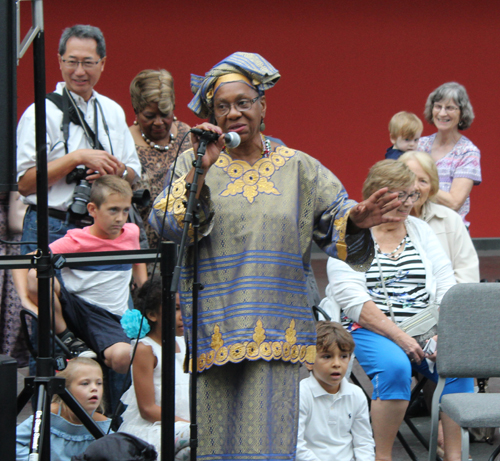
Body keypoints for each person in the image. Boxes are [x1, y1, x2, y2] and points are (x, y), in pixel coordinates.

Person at [149, 51, 403, 460]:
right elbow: (167, 225)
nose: (234, 113)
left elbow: (335, 220)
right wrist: (200, 172)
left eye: (243, 102)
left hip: (276, 327)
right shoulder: (196, 163)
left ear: (262, 106)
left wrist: (357, 219)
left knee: (269, 442)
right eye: (223, 106)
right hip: (217, 325)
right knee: (217, 444)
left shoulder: (298, 168)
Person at [325, 160, 474, 461]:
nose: (406, 204)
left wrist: (444, 331)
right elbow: (353, 300)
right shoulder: (349, 235)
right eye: (397, 196)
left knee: (458, 363)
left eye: (411, 195)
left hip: (424, 323)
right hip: (370, 326)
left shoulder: (419, 230)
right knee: (395, 367)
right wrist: (400, 337)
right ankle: (383, 457)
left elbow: (445, 282)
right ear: (375, 197)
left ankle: (455, 457)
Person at [16, 24, 141, 255]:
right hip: (52, 224)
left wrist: (116, 173)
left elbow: (133, 173)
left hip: (104, 229)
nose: (79, 71)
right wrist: (76, 158)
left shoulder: (112, 111)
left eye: (88, 62)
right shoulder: (40, 113)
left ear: (102, 63)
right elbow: (25, 184)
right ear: (60, 61)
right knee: (44, 291)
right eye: (72, 61)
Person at [18, 176, 147, 372]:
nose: (120, 218)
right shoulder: (76, 240)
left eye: (125, 210)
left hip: (111, 317)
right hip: (76, 310)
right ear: (92, 210)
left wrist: (144, 297)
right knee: (36, 275)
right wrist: (26, 301)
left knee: (126, 357)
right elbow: (22, 263)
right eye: (113, 210)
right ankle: (66, 337)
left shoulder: (131, 232)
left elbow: (138, 262)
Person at [119, 276, 190, 460]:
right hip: (158, 428)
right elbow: (147, 409)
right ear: (152, 315)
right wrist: (189, 425)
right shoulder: (145, 348)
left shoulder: (184, 342)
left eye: (185, 308)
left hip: (185, 425)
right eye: (175, 309)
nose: (183, 315)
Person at [129, 69, 192, 249]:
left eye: (165, 114)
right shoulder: (125, 144)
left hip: (184, 247)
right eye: (149, 116)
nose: (158, 122)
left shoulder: (186, 136)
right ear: (136, 110)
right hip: (144, 252)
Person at [297, 321, 374, 461]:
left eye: (343, 356)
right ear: (308, 360)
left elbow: (364, 442)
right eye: (327, 356)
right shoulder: (300, 394)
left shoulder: (356, 394)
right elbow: (296, 446)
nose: (337, 364)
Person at [399, 151, 479, 283]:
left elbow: (467, 275)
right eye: (409, 179)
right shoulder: (383, 221)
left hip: (446, 300)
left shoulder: (450, 220)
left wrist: (446, 302)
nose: (415, 187)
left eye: (423, 181)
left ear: (432, 187)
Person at [16, 357, 112, 461]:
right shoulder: (50, 415)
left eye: (99, 383)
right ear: (65, 387)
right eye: (85, 383)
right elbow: (13, 442)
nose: (94, 388)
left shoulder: (102, 424)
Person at [417, 82, 481, 228]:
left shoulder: (468, 152)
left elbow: (454, 202)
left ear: (462, 113)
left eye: (450, 108)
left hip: (450, 231)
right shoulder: (420, 145)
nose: (442, 113)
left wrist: (419, 184)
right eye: (438, 106)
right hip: (418, 228)